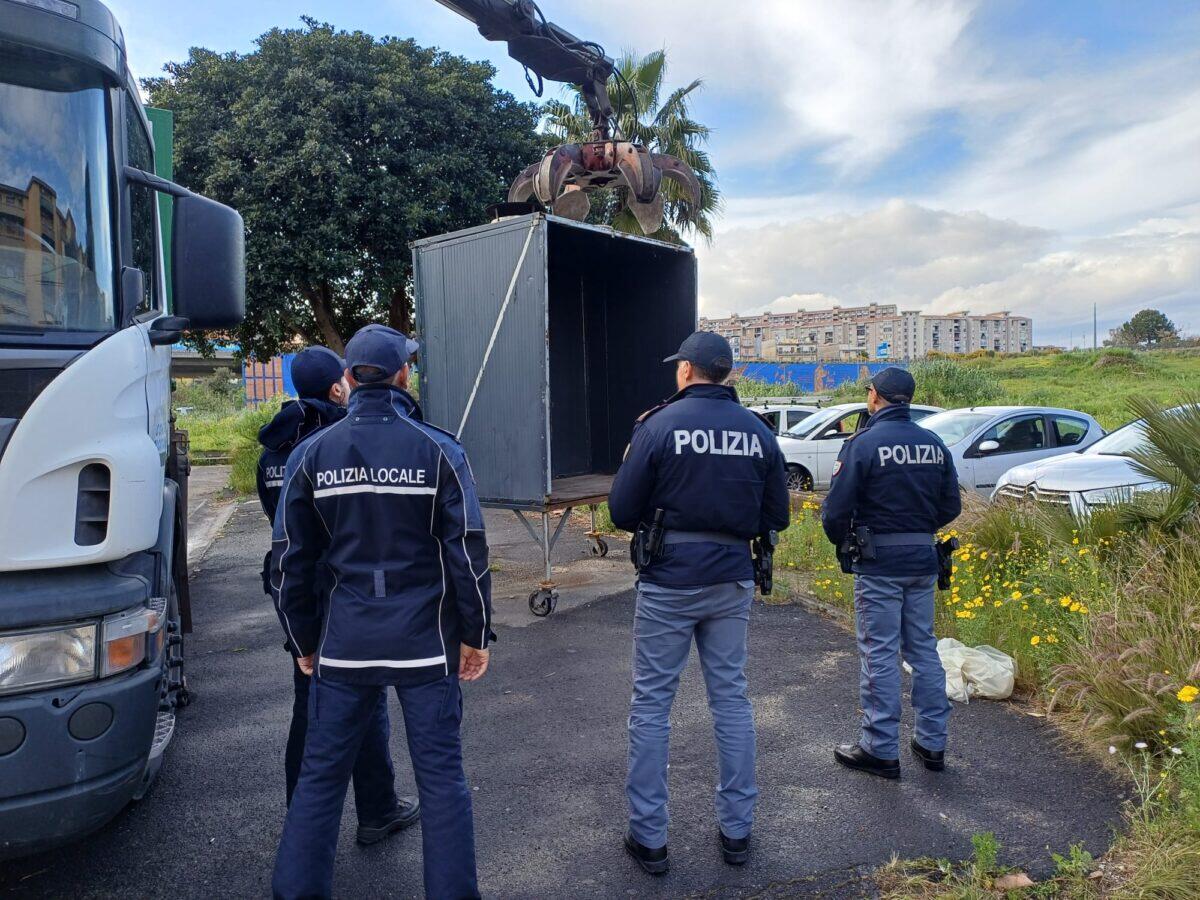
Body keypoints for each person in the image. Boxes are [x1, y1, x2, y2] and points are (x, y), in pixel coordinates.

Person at [270, 324, 493, 900]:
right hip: (424, 644)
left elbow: (291, 560)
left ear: (349, 378)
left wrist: (304, 642)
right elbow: (466, 551)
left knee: (320, 781)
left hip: (344, 644)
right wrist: (475, 634)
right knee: (443, 782)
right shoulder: (440, 449)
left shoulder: (310, 454)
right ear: (401, 376)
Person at [608, 331, 790, 876]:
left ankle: (650, 839)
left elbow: (621, 510)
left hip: (669, 581)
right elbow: (776, 515)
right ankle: (737, 832)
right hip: (732, 577)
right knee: (731, 701)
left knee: (651, 707)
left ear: (687, 371)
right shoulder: (758, 432)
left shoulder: (657, 425)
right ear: (727, 373)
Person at [255, 345, 418, 843]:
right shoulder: (336, 442)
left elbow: (284, 531)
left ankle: (338, 814)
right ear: (337, 386)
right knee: (360, 699)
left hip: (299, 593)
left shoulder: (274, 453)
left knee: (316, 711)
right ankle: (369, 811)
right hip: (345, 593)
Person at [820, 366, 961, 779]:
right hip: (922, 560)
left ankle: (880, 749)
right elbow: (951, 506)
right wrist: (917, 527)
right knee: (922, 650)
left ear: (874, 396)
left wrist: (850, 537)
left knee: (879, 652)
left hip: (879, 564)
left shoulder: (863, 444)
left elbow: (835, 511)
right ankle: (932, 743)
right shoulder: (933, 443)